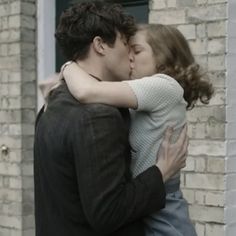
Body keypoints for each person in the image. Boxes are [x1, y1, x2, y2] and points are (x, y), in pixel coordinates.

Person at [34, 2, 188, 236]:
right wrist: (161, 172)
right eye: (126, 44)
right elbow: (109, 212)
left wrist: (67, 69)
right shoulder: (97, 115)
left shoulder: (51, 104)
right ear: (100, 45)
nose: (129, 55)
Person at [59, 23, 214, 236]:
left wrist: (68, 66)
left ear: (163, 55)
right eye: (127, 49)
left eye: (137, 50)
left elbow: (87, 91)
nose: (129, 57)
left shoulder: (163, 86)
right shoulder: (142, 93)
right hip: (145, 198)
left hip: (163, 210)